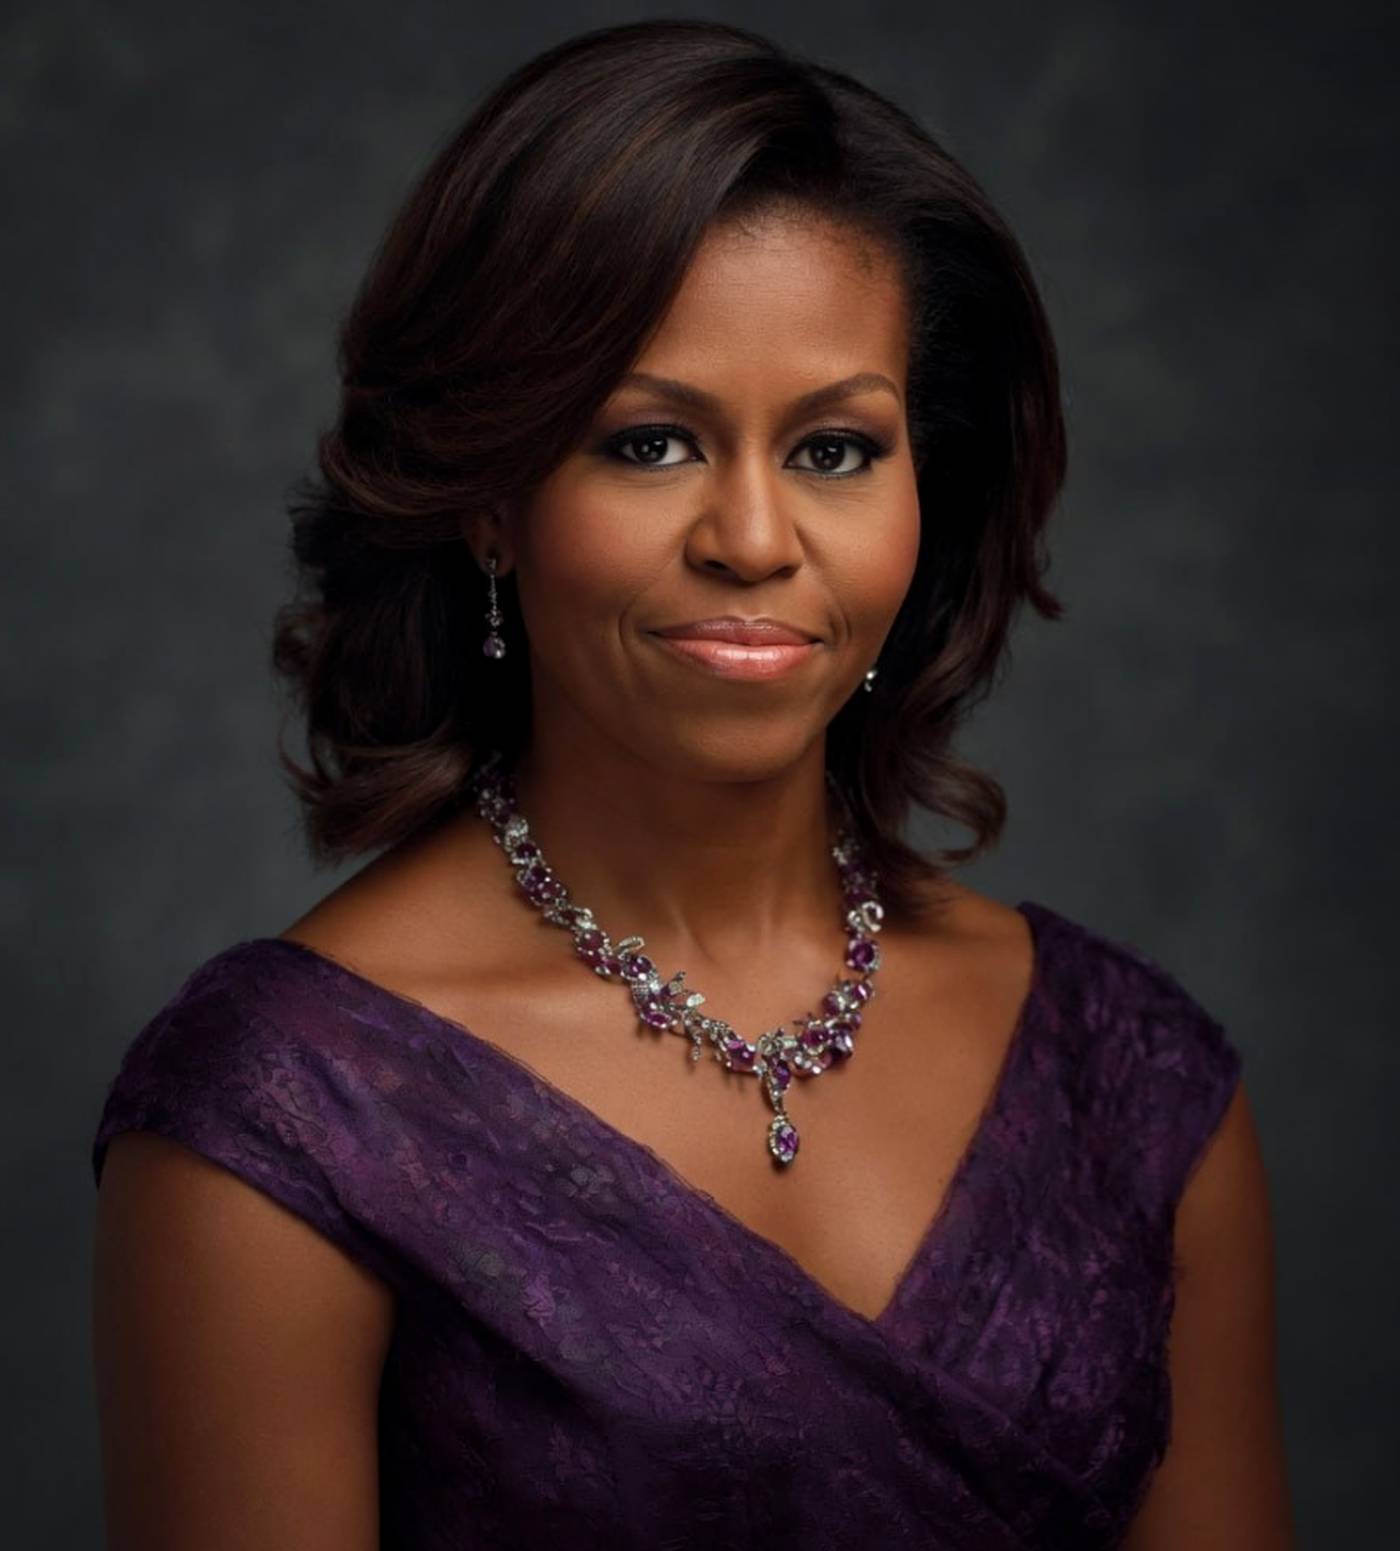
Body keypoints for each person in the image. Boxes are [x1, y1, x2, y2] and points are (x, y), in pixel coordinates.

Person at [89, 18, 1293, 1549]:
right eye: (650, 442)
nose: (753, 536)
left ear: (934, 490)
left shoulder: (1134, 1081)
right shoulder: (285, 1113)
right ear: (491, 502)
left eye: (838, 451)